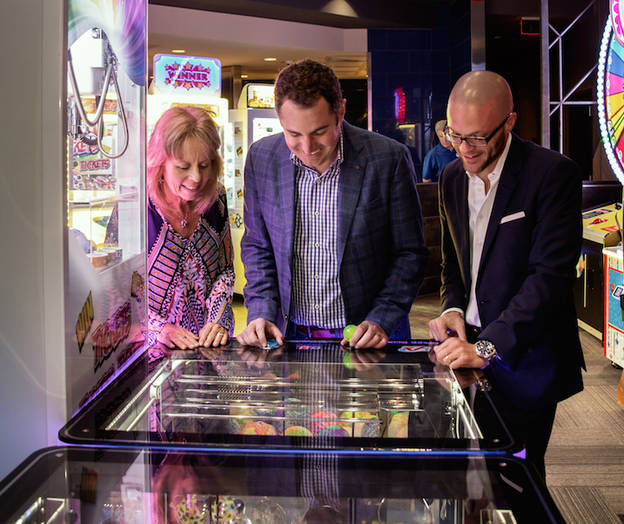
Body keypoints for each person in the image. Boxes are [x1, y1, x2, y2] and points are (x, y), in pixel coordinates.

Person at [427, 70, 584, 482]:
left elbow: (548, 279)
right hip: (462, 351)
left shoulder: (553, 175)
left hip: (525, 354)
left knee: (516, 478)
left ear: (510, 122)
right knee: (461, 478)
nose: (464, 149)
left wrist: (489, 347)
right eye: (454, 135)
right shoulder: (449, 178)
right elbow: (454, 264)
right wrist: (453, 308)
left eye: (477, 138)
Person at [236, 59, 426, 349]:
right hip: (289, 333)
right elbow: (257, 246)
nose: (308, 148)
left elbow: (410, 253)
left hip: (367, 336)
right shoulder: (261, 157)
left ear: (341, 112)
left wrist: (381, 318)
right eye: (294, 134)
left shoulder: (388, 158)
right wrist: (260, 310)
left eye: (319, 132)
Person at [146, 106, 235, 349]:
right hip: (149, 355)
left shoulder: (217, 199)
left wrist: (219, 320)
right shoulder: (137, 207)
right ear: (160, 162)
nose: (196, 177)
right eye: (183, 167)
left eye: (204, 165)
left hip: (207, 351)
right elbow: (116, 298)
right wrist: (158, 329)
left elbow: (224, 271)